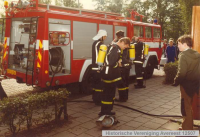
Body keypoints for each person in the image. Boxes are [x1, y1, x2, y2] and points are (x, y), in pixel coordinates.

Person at [173, 35, 200, 130]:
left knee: (186, 108)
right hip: (195, 85)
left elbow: (181, 73)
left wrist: (175, 81)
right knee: (190, 106)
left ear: (185, 44)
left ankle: (187, 130)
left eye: (179, 44)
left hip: (186, 86)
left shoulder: (183, 55)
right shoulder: (197, 54)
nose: (178, 46)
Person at [99, 37, 130, 116]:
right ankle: (106, 111)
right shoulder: (116, 48)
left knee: (107, 93)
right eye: (125, 46)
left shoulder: (112, 46)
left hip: (107, 73)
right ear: (122, 42)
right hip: (110, 74)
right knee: (109, 94)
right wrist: (119, 63)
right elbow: (111, 62)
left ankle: (105, 111)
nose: (125, 48)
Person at [91, 30, 107, 105]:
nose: (105, 38)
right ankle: (98, 101)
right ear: (102, 36)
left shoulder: (95, 43)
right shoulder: (100, 44)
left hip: (94, 67)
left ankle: (94, 98)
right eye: (105, 36)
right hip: (98, 67)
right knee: (99, 85)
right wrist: (101, 66)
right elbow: (99, 56)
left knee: (95, 84)